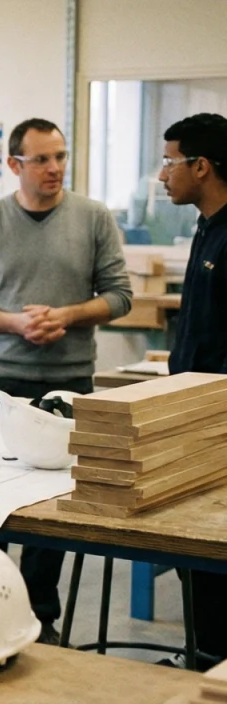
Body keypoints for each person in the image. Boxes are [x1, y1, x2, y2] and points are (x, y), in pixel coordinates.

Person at [0, 117, 132, 643]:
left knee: (54, 508)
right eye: (42, 160)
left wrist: (67, 316)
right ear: (14, 165)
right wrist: (16, 323)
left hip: (69, 382)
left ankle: (38, 618)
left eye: (61, 157)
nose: (54, 169)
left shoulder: (93, 218)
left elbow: (120, 295)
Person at [157, 112, 227, 669]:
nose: (162, 176)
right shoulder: (206, 226)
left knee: (213, 551)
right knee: (193, 556)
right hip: (192, 418)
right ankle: (203, 662)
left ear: (200, 166)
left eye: (169, 161)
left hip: (217, 424)